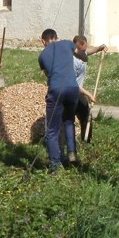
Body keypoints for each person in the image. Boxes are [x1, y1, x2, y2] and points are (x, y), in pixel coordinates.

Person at [38, 28, 80, 173]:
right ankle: (72, 153)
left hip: (56, 91)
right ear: (57, 37)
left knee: (52, 130)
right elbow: (82, 52)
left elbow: (48, 75)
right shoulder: (68, 44)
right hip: (73, 90)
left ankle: (55, 165)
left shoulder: (42, 56)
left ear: (44, 41)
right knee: (68, 121)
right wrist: (100, 48)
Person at [72, 35, 107, 143]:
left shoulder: (81, 53)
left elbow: (89, 51)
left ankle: (86, 141)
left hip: (78, 94)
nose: (85, 50)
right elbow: (73, 85)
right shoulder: (72, 61)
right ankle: (66, 146)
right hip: (71, 93)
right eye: (84, 47)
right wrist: (89, 94)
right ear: (79, 45)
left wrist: (99, 48)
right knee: (68, 120)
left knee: (86, 115)